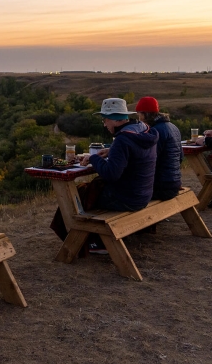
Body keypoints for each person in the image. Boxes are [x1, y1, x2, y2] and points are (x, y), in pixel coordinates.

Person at [51, 98, 159, 254]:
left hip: (127, 199)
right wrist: (111, 152)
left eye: (105, 120)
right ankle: (92, 237)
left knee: (81, 195)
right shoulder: (143, 129)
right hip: (143, 194)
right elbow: (131, 157)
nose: (104, 124)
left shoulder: (122, 139)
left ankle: (94, 241)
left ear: (114, 119)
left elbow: (111, 174)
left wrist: (92, 158)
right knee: (91, 189)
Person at [135, 96, 183, 200]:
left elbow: (148, 161)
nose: (138, 118)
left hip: (161, 187)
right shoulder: (173, 127)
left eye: (139, 114)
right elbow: (181, 158)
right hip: (174, 183)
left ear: (145, 114)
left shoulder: (155, 132)